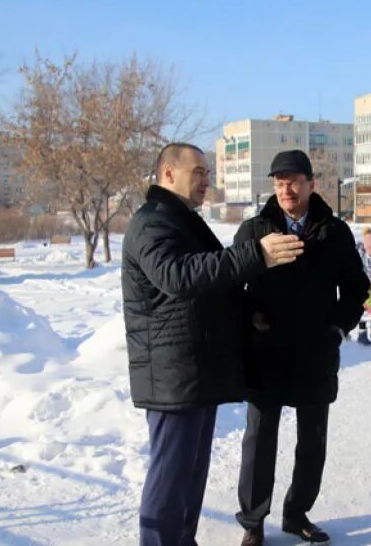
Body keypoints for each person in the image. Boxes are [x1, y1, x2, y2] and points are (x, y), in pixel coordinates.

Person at [121, 143, 305, 546]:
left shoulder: (182, 219)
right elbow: (177, 276)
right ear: (168, 174)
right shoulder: (153, 222)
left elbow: (211, 281)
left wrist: (247, 313)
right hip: (173, 373)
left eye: (208, 173)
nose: (207, 181)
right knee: (170, 479)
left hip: (194, 370)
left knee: (189, 476)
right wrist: (255, 254)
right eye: (199, 172)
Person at [234, 150, 369, 546]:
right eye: (279, 183)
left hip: (315, 352)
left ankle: (296, 513)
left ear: (311, 184)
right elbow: (233, 284)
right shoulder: (255, 228)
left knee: (312, 440)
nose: (286, 189)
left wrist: (336, 328)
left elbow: (358, 288)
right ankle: (253, 523)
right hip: (266, 352)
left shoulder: (334, 231)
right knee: (260, 441)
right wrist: (250, 322)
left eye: (294, 181)